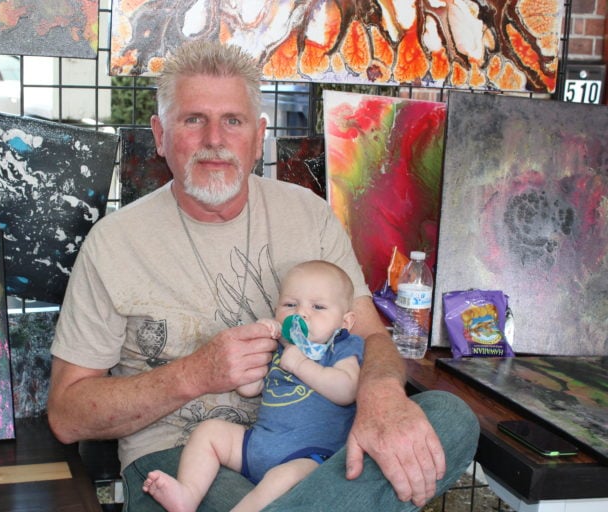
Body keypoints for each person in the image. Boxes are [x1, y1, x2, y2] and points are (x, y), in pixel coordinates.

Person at [48, 39, 479, 511]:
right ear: (160, 133)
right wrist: (194, 375)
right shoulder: (114, 243)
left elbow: (372, 337)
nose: (214, 138)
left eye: (232, 121)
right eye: (194, 120)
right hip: (188, 456)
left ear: (258, 135)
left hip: (318, 446)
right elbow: (68, 415)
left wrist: (380, 393)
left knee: (451, 418)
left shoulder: (308, 216)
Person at [142, 260, 365, 512]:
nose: (301, 314)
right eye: (290, 305)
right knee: (209, 432)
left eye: (318, 307)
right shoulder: (281, 347)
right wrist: (259, 342)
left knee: (281, 479)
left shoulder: (342, 345)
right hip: (259, 444)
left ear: (345, 321)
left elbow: (347, 390)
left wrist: (301, 365)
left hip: (310, 456)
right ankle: (187, 494)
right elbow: (249, 390)